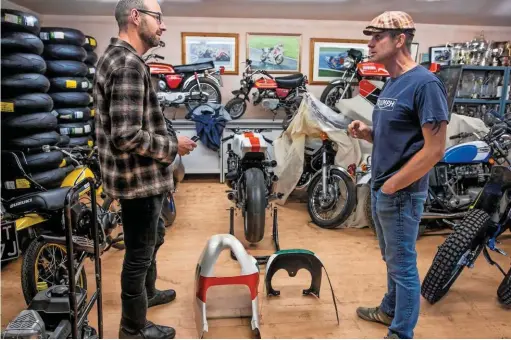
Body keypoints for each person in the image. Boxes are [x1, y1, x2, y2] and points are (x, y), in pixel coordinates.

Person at [93, 0, 197, 338]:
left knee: (155, 236)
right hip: (137, 180)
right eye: (158, 18)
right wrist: (173, 147)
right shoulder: (126, 64)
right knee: (138, 253)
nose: (163, 26)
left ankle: (148, 295)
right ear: (136, 17)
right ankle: (132, 327)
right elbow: (126, 135)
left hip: (136, 176)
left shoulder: (120, 58)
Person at [348, 11, 449, 339]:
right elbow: (400, 137)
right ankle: (388, 309)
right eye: (370, 36)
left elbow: (434, 151)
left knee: (403, 266)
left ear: (400, 39)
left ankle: (401, 332)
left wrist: (392, 186)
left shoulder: (426, 83)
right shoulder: (392, 83)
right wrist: (368, 133)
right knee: (391, 258)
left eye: (377, 36)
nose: (370, 43)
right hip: (383, 189)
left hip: (400, 193)